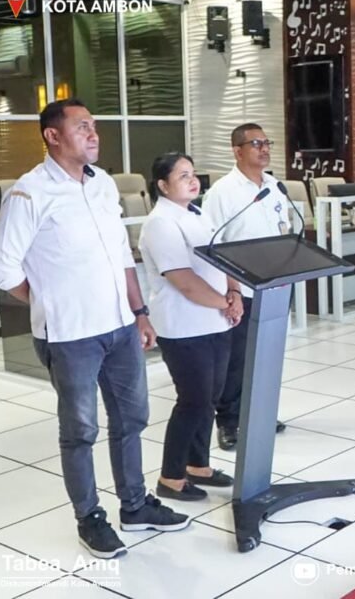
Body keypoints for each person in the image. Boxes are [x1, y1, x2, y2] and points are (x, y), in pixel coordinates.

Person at [0, 98, 189, 559]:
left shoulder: (101, 184)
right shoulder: (29, 193)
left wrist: (140, 312)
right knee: (80, 430)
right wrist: (48, 300)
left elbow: (121, 255)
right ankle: (90, 518)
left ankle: (135, 506)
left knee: (131, 419)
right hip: (69, 334)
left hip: (119, 326)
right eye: (82, 127)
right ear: (52, 136)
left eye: (94, 125)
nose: (94, 133)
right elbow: (1, 268)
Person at [138, 152, 245, 502]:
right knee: (193, 401)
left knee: (210, 399)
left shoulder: (197, 213)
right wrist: (225, 303)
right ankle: (170, 477)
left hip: (216, 320)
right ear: (162, 185)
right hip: (184, 326)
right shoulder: (160, 223)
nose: (193, 180)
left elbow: (225, 259)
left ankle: (197, 465)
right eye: (183, 175)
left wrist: (234, 293)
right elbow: (183, 280)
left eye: (193, 173)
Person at [202, 123, 290, 450]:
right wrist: (233, 290)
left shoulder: (274, 186)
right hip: (244, 289)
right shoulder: (222, 192)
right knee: (237, 361)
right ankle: (229, 422)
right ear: (237, 151)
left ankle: (260, 415)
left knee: (268, 356)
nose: (264, 149)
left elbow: (284, 231)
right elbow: (214, 245)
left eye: (267, 142)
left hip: (276, 285)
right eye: (256, 144)